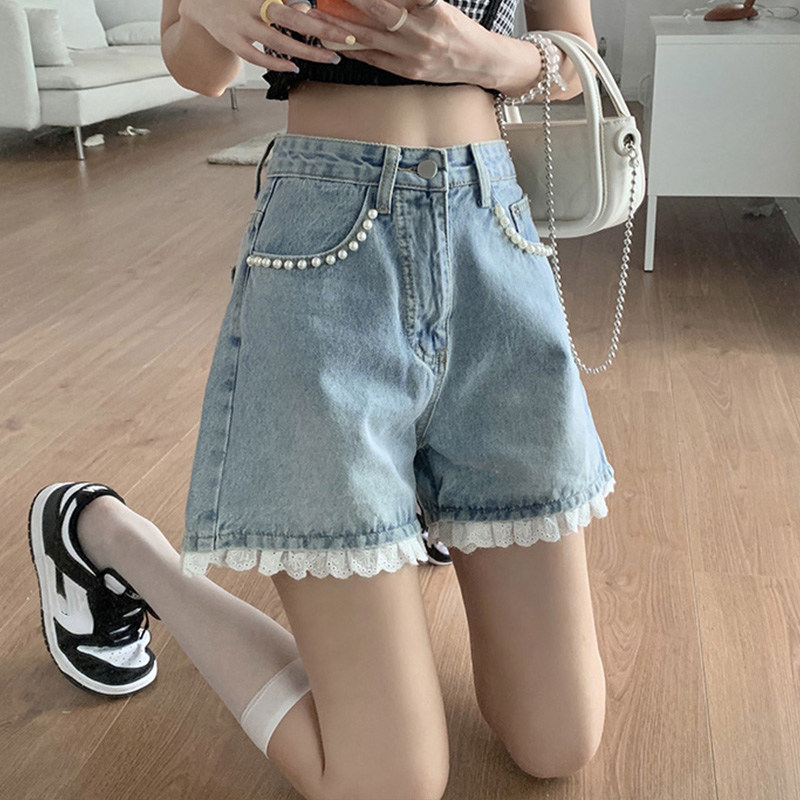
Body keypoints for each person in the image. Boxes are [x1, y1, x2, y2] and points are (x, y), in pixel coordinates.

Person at [27, 0, 614, 797]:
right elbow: (198, 68)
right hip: (326, 248)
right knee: (389, 784)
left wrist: (481, 57)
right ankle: (105, 536)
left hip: (493, 241)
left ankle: (406, 501)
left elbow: (576, 61)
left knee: (559, 742)